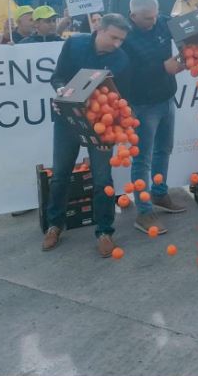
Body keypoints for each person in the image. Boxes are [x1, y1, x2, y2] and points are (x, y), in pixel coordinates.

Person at [43, 14, 132, 256]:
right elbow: (57, 77)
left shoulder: (121, 59)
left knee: (103, 179)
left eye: (121, 40)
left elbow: (120, 99)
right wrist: (61, 91)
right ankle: (54, 225)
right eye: (113, 37)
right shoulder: (74, 44)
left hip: (101, 125)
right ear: (99, 29)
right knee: (60, 174)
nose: (117, 44)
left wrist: (113, 132)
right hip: (67, 121)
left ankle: (104, 231)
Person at [123, 0, 187, 236]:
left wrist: (187, 50)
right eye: (148, 18)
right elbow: (128, 74)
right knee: (143, 158)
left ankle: (160, 193)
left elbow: (184, 32)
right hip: (142, 104)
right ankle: (144, 211)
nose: (153, 21)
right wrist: (163, 68)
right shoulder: (125, 36)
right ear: (133, 16)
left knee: (164, 149)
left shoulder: (162, 22)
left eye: (155, 15)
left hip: (166, 98)